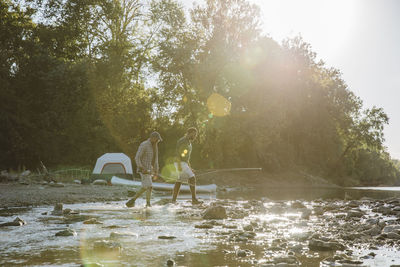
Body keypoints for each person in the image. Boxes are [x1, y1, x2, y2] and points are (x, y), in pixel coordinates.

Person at [126, 131, 162, 207]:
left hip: (149, 169)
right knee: (149, 186)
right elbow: (137, 157)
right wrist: (141, 167)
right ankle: (147, 204)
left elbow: (156, 159)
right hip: (142, 169)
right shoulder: (144, 144)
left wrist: (156, 170)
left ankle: (133, 201)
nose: (158, 141)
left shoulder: (155, 146)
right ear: (153, 138)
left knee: (146, 187)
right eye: (157, 139)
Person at [172, 127, 202, 204]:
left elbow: (187, 158)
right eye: (194, 135)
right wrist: (178, 165)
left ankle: (173, 200)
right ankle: (194, 200)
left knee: (179, 181)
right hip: (179, 162)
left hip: (183, 163)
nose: (195, 137)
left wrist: (190, 167)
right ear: (190, 133)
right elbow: (178, 154)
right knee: (192, 178)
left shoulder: (189, 143)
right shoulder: (182, 141)